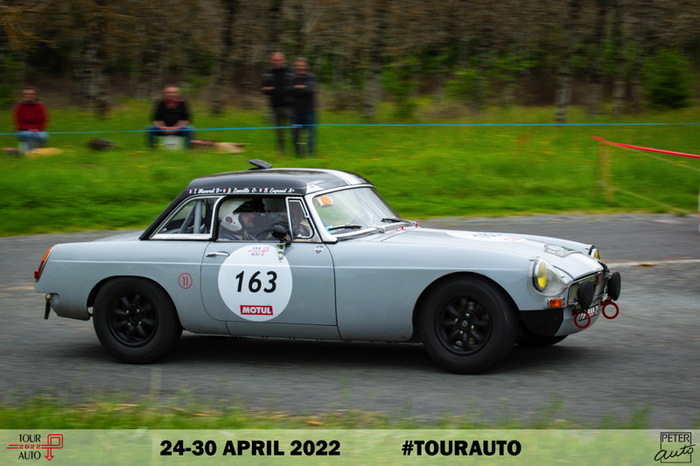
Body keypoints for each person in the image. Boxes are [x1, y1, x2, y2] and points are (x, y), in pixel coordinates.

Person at [261, 52, 294, 154]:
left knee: (293, 128)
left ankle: (297, 148)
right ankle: (282, 151)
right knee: (279, 131)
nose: (277, 62)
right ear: (272, 61)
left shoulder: (290, 71)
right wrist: (267, 89)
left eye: (279, 60)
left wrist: (289, 90)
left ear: (284, 60)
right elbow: (264, 88)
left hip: (289, 105)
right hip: (275, 105)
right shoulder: (268, 73)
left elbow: (295, 86)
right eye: (275, 60)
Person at [291, 57, 317, 157]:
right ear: (295, 66)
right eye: (298, 65)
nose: (300, 67)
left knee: (310, 135)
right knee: (296, 136)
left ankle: (311, 155)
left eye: (302, 65)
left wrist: (296, 88)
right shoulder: (291, 78)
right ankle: (298, 155)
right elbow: (289, 90)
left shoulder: (311, 77)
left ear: (306, 66)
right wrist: (302, 88)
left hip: (309, 111)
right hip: (295, 111)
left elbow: (310, 90)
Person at [13, 86, 49, 152]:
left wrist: (37, 129)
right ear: (23, 95)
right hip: (23, 131)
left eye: (31, 94)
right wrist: (29, 129)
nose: (28, 96)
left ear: (35, 95)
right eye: (26, 94)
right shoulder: (19, 106)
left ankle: (41, 152)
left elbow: (42, 120)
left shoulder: (40, 106)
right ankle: (30, 153)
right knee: (29, 136)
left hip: (38, 130)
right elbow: (19, 121)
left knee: (44, 137)